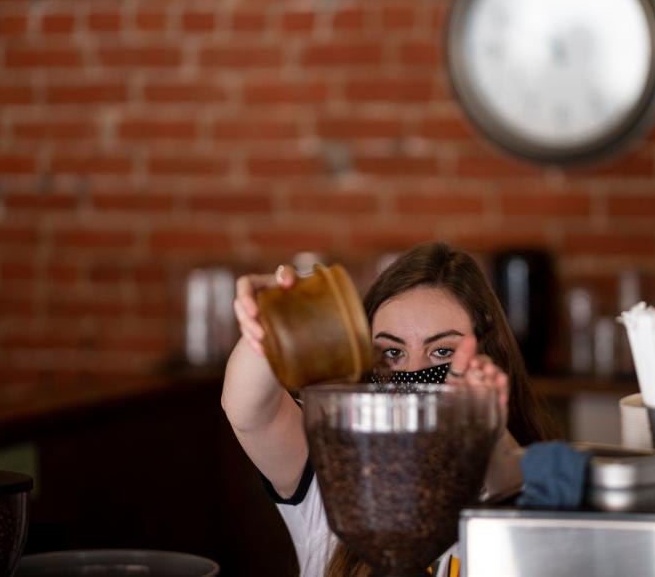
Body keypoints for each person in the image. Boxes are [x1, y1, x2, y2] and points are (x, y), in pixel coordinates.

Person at [222, 242, 556, 577]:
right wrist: (279, 314)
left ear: (489, 358)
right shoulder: (335, 471)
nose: (413, 374)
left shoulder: (533, 487)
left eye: (442, 352)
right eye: (393, 353)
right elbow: (247, 408)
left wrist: (488, 432)